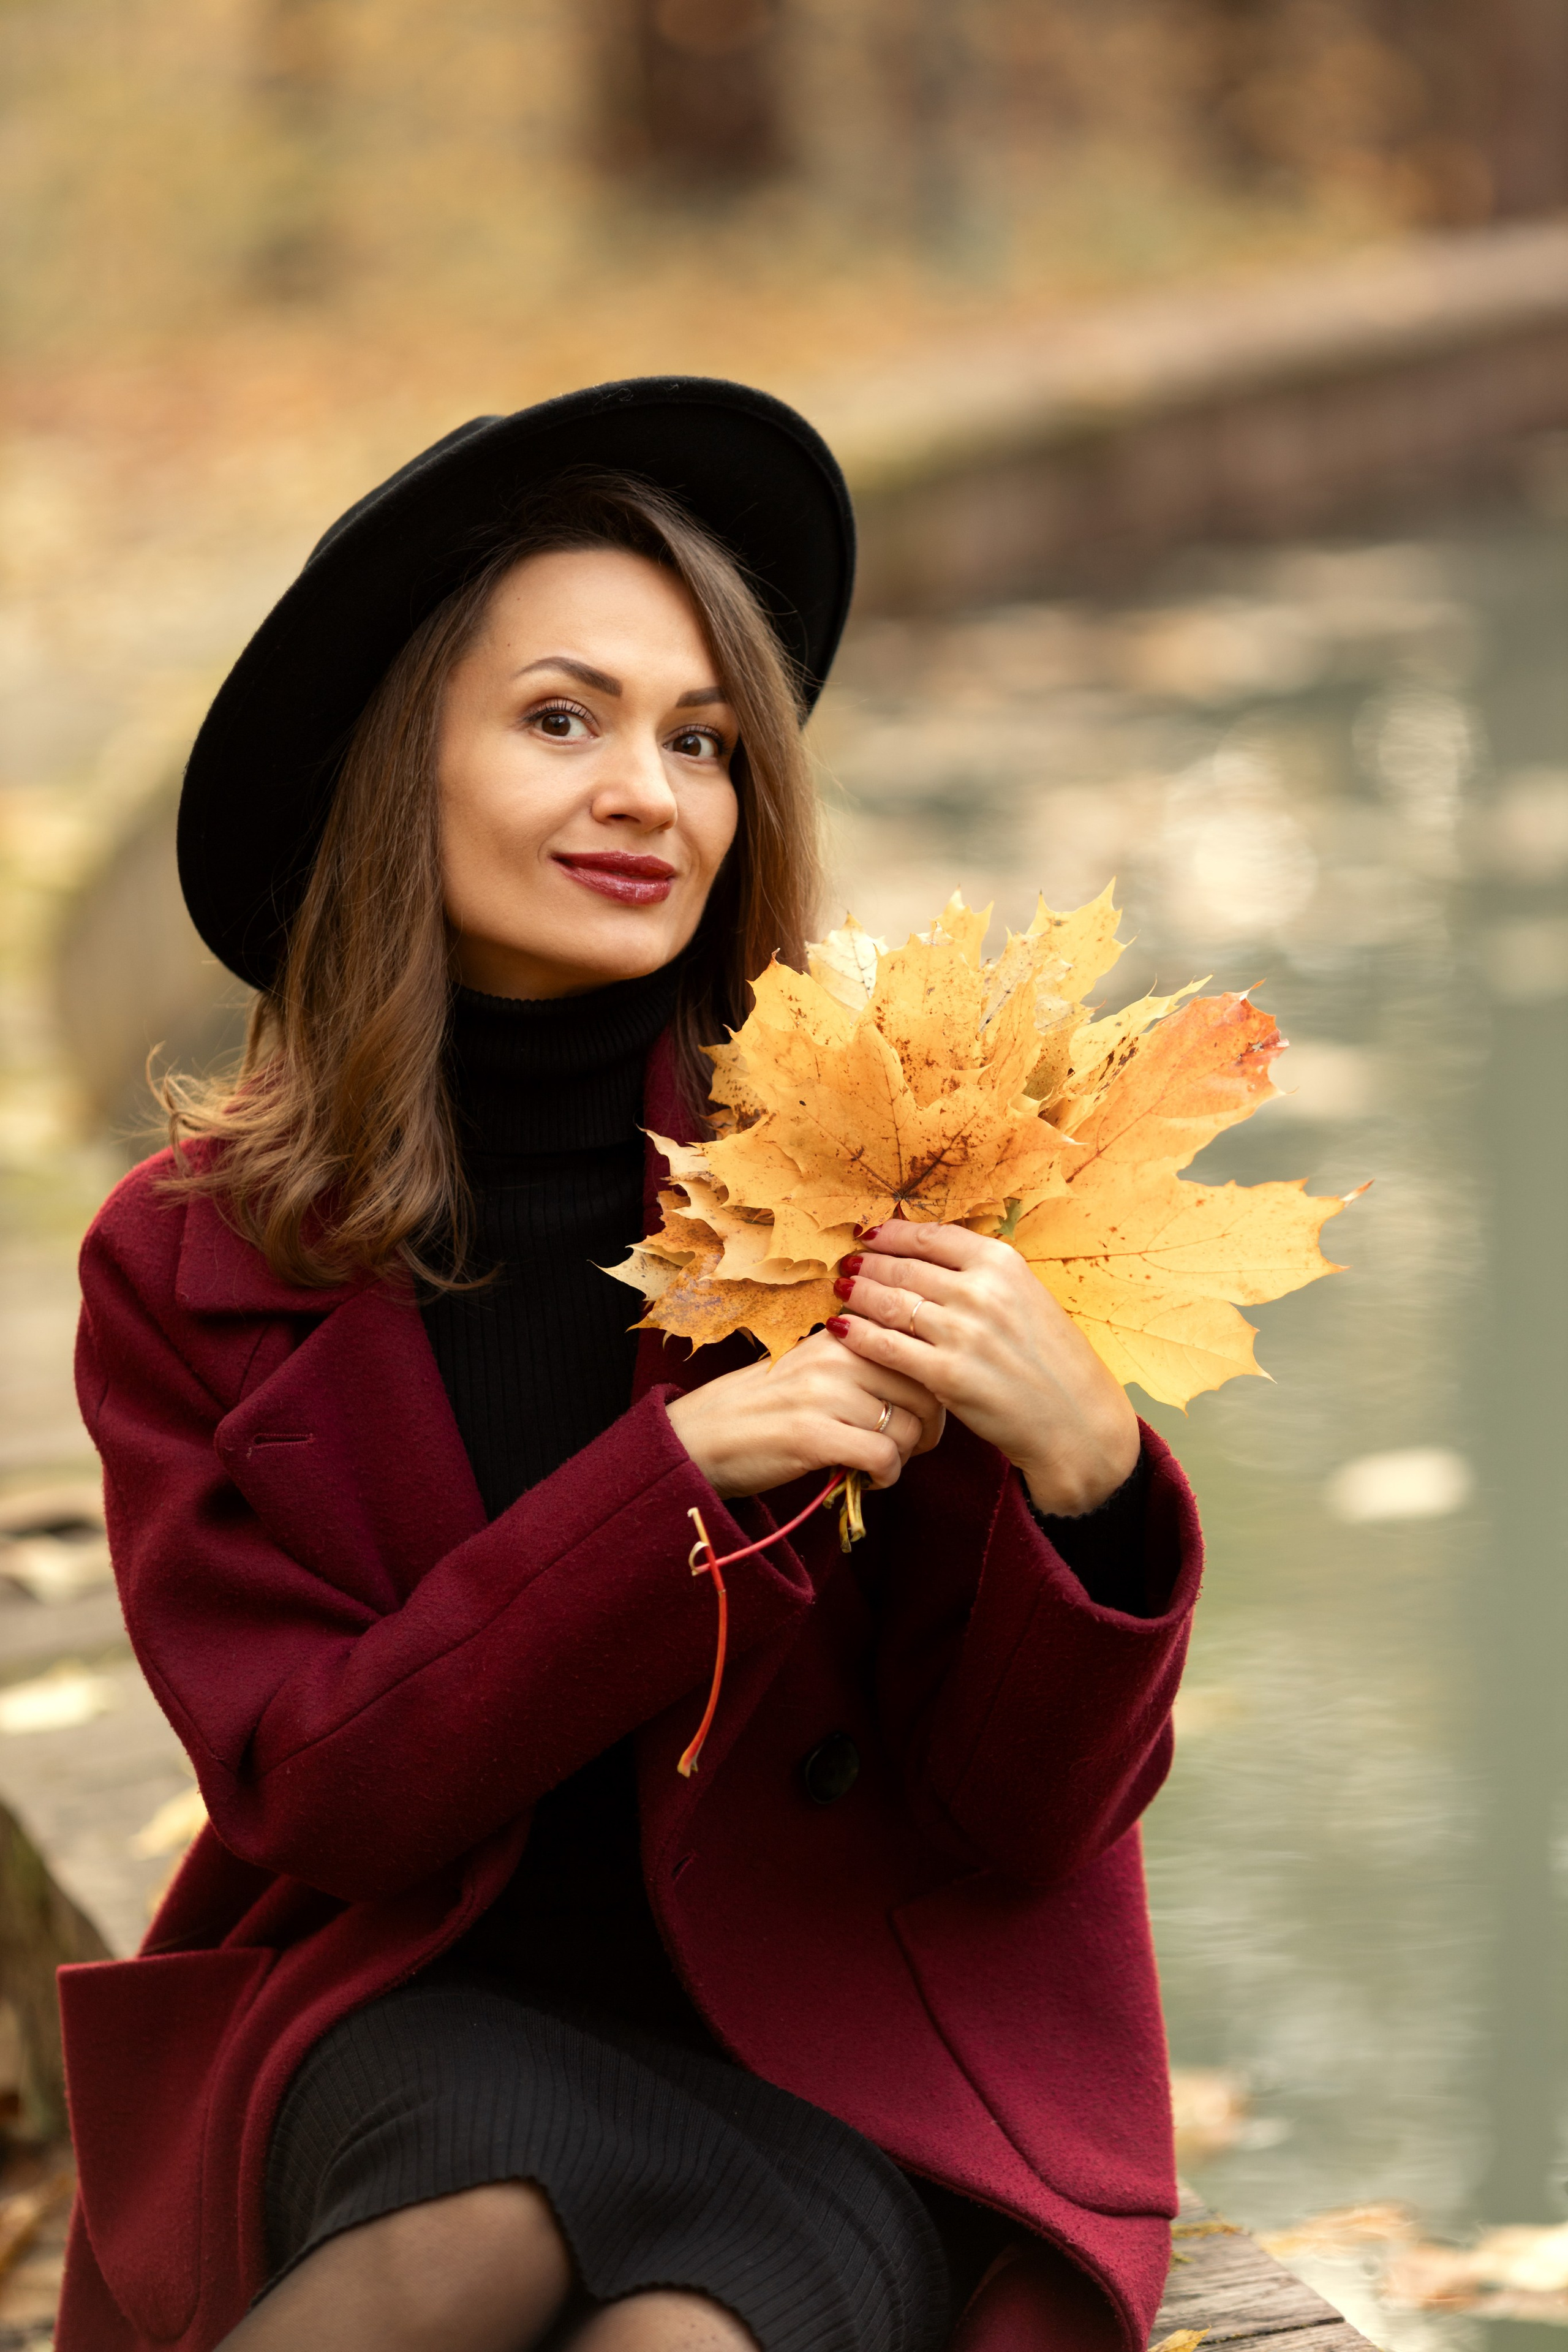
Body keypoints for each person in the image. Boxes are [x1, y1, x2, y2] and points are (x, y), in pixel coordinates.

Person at [58, 379, 1203, 2352]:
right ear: (386, 763)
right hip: (411, 1993)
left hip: (832, 2048)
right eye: (561, 720)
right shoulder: (189, 1255)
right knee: (471, 2218)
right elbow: (316, 1796)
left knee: (685, 2339)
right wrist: (670, 1497)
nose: (649, 797)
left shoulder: (888, 1169)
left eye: (703, 742)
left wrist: (1088, 1490)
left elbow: (1020, 1820)